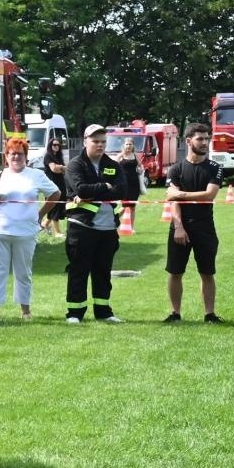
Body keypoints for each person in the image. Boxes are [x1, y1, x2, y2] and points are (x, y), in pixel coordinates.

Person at [0, 138, 60, 322]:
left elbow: (56, 193)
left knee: (23, 272)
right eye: (12, 153)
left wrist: (40, 214)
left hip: (25, 232)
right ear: (6, 156)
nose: (16, 157)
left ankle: (25, 311)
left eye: (20, 154)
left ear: (26, 156)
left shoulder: (36, 175)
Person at [64, 124, 132, 324]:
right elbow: (81, 189)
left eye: (103, 141)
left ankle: (103, 311)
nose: (100, 145)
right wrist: (105, 186)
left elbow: (122, 190)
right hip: (82, 226)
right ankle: (75, 313)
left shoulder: (113, 165)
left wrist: (95, 191)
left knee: (103, 271)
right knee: (79, 271)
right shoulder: (75, 165)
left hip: (108, 227)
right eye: (95, 141)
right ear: (85, 142)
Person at [164, 123, 226, 325]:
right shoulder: (176, 169)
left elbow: (209, 195)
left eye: (207, 138)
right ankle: (175, 313)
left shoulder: (215, 168)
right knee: (175, 272)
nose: (205, 142)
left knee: (207, 272)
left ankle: (210, 314)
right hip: (180, 226)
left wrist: (180, 194)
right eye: (200, 139)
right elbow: (172, 202)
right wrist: (179, 227)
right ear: (188, 141)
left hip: (205, 227)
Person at [39, 135, 68, 237]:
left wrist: (61, 167)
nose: (57, 147)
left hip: (61, 183)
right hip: (52, 184)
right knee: (55, 206)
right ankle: (57, 232)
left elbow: (62, 170)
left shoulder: (59, 157)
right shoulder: (48, 156)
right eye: (54, 145)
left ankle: (45, 224)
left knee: (59, 205)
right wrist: (62, 167)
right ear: (50, 145)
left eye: (58, 145)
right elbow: (54, 169)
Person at [116, 138, 142, 230]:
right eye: (127, 144)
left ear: (133, 146)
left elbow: (140, 166)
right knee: (124, 206)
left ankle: (131, 227)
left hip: (134, 184)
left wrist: (140, 170)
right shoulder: (120, 156)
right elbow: (114, 167)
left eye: (130, 144)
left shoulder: (135, 155)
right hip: (124, 184)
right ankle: (114, 219)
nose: (128, 146)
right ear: (124, 145)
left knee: (133, 207)